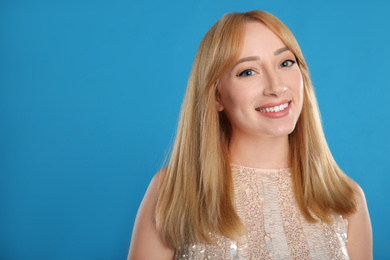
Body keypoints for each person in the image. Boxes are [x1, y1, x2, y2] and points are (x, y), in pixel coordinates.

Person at [128, 10, 372, 259]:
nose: (276, 87)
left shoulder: (348, 200)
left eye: (285, 63)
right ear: (217, 96)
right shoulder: (173, 189)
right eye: (248, 71)